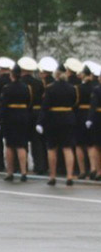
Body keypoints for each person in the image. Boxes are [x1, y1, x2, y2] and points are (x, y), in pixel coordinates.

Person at [38, 58, 77, 186]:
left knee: (52, 148)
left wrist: (40, 122)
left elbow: (45, 106)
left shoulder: (50, 88)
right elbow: (74, 103)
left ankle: (52, 176)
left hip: (53, 119)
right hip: (68, 118)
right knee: (67, 148)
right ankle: (69, 176)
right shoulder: (72, 88)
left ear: (56, 74)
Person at [0, 64, 31, 182]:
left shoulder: (7, 88)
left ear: (12, 75)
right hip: (22, 116)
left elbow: (3, 105)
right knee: (21, 146)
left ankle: (10, 172)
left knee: (10, 146)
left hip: (10, 117)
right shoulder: (26, 87)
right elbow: (28, 102)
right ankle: (23, 172)